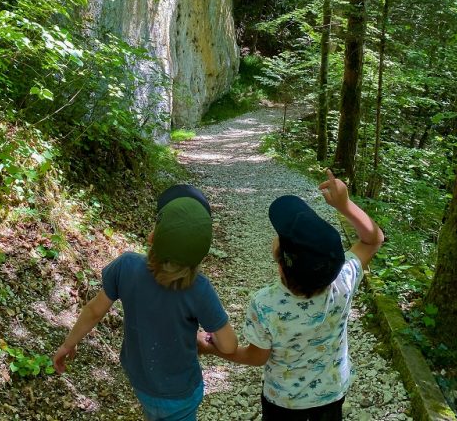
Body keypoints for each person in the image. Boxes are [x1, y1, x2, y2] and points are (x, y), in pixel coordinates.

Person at [197, 169, 384, 421]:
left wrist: (213, 350)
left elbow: (256, 356)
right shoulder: (343, 280)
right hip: (331, 395)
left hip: (282, 402)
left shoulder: (265, 304)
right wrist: (345, 205)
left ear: (281, 261)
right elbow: (373, 240)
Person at [53, 184, 237, 421]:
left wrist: (68, 345)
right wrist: (205, 341)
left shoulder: (126, 266)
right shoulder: (199, 289)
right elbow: (230, 345)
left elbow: (93, 311)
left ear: (152, 237)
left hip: (141, 381)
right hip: (181, 393)